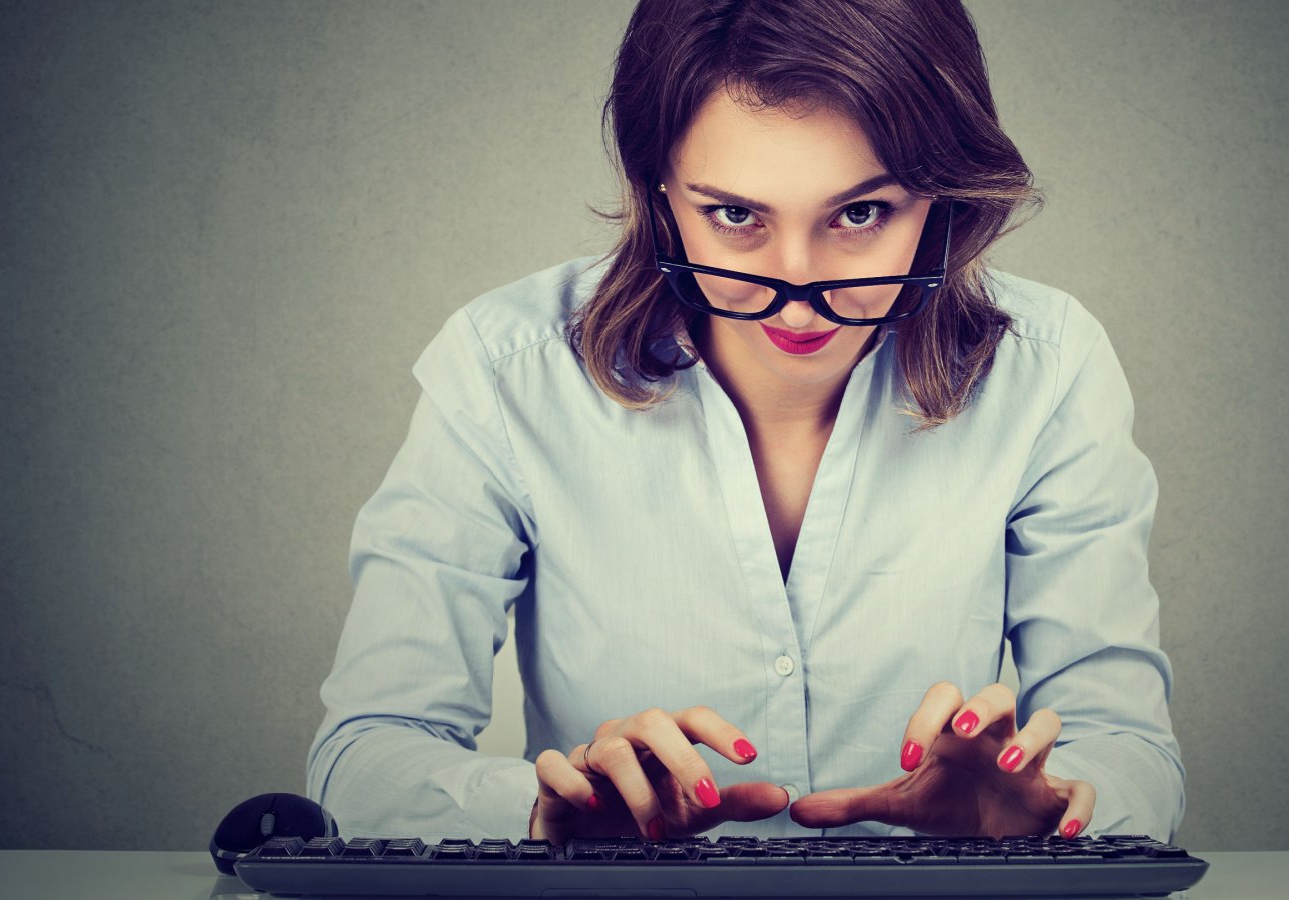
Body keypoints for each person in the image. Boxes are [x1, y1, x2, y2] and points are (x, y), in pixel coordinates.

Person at [307, 0, 1185, 846]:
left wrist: (1050, 813)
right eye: (734, 215)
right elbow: (366, 755)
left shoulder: (1048, 368)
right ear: (658, 189)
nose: (798, 291)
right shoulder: (504, 373)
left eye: (861, 213)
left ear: (943, 195)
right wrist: (544, 815)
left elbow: (1131, 754)